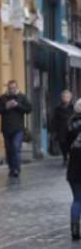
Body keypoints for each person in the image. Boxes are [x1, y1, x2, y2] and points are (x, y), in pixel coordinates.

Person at [0, 80, 32, 177]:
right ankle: (11, 168)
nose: (12, 90)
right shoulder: (2, 98)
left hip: (18, 128)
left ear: (17, 88)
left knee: (15, 147)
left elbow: (29, 109)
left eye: (13, 88)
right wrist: (6, 107)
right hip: (6, 128)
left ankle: (17, 169)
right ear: (7, 88)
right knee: (9, 149)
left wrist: (17, 105)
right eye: (10, 88)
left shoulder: (22, 97)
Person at [64, 99, 81, 240]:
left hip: (74, 167)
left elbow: (66, 144)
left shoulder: (70, 124)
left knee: (77, 200)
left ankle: (75, 230)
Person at [52, 90, 74, 165]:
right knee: (62, 143)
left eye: (67, 97)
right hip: (61, 129)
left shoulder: (73, 107)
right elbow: (54, 119)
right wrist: (54, 130)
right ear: (61, 98)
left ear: (70, 97)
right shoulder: (58, 108)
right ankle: (65, 157)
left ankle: (70, 157)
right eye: (64, 97)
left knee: (71, 144)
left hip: (71, 129)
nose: (66, 98)